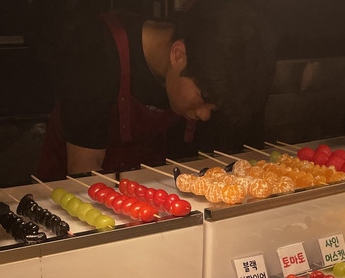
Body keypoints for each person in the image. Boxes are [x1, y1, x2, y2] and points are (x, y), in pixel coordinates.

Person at [34, 0, 275, 181]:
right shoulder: (95, 54)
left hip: (146, 186)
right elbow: (84, 171)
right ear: (178, 55)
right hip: (68, 194)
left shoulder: (207, 60)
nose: (204, 115)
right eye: (204, 99)